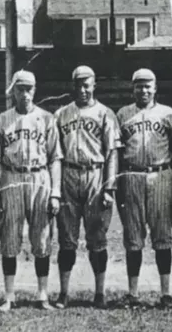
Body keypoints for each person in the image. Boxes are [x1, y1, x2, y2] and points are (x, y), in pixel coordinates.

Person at [0, 70, 63, 312]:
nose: (25, 94)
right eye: (20, 89)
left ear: (35, 90)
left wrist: (55, 192)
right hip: (11, 175)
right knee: (9, 238)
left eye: (29, 89)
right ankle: (9, 296)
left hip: (39, 176)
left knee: (42, 238)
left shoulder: (47, 118)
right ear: (14, 92)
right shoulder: (2, 120)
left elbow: (55, 159)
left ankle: (42, 294)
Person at [53, 65, 122, 309]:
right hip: (70, 174)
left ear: (94, 85)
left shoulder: (105, 113)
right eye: (78, 84)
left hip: (95, 174)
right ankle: (63, 293)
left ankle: (100, 293)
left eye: (87, 84)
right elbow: (56, 155)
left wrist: (110, 186)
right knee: (67, 239)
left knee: (97, 238)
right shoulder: (61, 114)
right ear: (73, 86)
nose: (83, 89)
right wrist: (56, 188)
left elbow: (112, 153)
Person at [116, 68, 172, 308]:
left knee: (162, 235)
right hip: (132, 174)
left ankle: (166, 294)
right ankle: (132, 293)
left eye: (147, 86)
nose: (143, 90)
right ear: (132, 89)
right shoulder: (123, 114)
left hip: (160, 174)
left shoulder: (168, 114)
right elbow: (119, 152)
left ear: (155, 88)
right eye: (138, 86)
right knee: (133, 237)